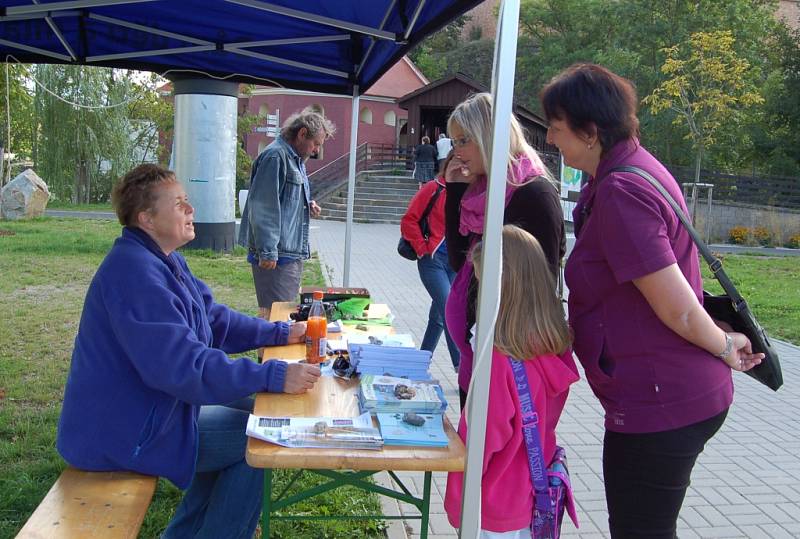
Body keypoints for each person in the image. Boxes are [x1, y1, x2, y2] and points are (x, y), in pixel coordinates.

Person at [540, 63, 764, 538]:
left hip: (662, 399)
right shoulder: (629, 168)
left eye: (557, 130)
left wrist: (727, 349)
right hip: (664, 391)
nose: (551, 140)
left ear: (590, 130)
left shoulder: (621, 189)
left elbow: (678, 307)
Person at [57, 164, 322, 539]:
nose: (190, 209)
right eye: (179, 204)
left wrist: (280, 332)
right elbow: (185, 367)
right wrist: (274, 374)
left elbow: (215, 321)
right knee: (262, 438)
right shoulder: (134, 273)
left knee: (258, 413)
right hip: (121, 434)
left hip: (152, 413)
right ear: (147, 218)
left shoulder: (162, 259)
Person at [444, 225, 579, 538]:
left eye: (482, 286)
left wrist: (456, 499)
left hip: (491, 501)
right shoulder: (550, 346)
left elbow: (483, 442)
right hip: (531, 489)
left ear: (502, 290)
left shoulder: (499, 361)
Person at [444, 92, 566, 409]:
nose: (457, 151)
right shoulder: (480, 190)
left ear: (490, 135)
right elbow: (459, 262)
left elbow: (543, 281)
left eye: (464, 140)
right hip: (479, 355)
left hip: (512, 362)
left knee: (501, 454)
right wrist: (455, 191)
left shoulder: (534, 193)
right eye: (454, 142)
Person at [239, 107, 335, 319]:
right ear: (302, 134)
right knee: (276, 317)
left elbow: (283, 195)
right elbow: (263, 206)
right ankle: (271, 354)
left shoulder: (294, 159)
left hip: (287, 252)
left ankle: (273, 352)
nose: (316, 150)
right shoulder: (276, 156)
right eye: (315, 144)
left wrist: (305, 203)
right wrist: (267, 251)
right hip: (277, 255)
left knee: (280, 316)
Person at [400, 152, 460, 371]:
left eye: (465, 162)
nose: (461, 166)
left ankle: (420, 362)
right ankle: (461, 366)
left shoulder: (470, 192)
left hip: (455, 264)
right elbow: (409, 219)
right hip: (432, 260)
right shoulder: (433, 188)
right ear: (447, 163)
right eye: (456, 161)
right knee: (450, 310)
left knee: (438, 316)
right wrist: (422, 247)